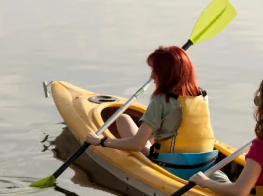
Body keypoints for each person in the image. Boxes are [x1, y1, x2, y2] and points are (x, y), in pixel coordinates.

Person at [84, 46, 227, 182]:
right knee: (147, 133)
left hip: (172, 167)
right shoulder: (202, 95)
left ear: (165, 74)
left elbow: (137, 145)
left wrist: (101, 141)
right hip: (205, 164)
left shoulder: (161, 100)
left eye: (154, 70)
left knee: (123, 119)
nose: (152, 75)